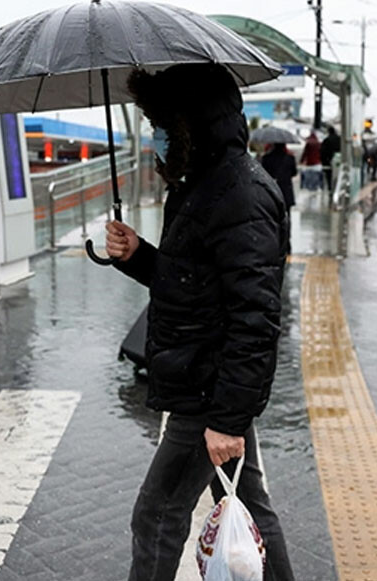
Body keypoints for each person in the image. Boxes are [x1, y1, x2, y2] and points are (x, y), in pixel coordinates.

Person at [104, 64, 294, 581]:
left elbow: (255, 318)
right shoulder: (203, 184)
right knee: (249, 505)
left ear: (192, 122)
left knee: (157, 516)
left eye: (163, 123)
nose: (157, 136)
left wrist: (229, 418)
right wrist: (139, 255)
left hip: (207, 388)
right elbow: (192, 283)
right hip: (207, 378)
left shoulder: (238, 194)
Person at [261, 142, 298, 211]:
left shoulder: (266, 158)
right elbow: (294, 173)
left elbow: (262, 174)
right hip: (286, 190)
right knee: (287, 214)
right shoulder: (290, 158)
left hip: (271, 190)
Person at [320, 125, 340, 191]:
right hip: (339, 160)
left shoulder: (327, 140)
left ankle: (330, 188)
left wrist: (323, 161)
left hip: (328, 161)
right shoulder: (340, 139)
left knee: (329, 176)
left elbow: (322, 151)